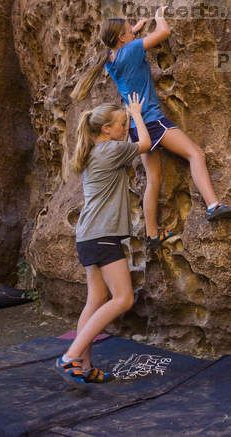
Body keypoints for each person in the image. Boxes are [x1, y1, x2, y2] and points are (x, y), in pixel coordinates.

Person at [70, 7, 231, 254]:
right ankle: (213, 205)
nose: (133, 30)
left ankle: (151, 233)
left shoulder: (110, 60)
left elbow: (119, 47)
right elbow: (164, 32)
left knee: (154, 178)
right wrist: (160, 16)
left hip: (136, 126)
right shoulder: (131, 49)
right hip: (151, 119)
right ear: (121, 38)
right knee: (195, 154)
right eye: (130, 29)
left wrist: (134, 32)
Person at [54, 93, 150, 387]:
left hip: (89, 236)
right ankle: (70, 356)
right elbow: (145, 144)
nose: (125, 128)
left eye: (126, 123)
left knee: (96, 300)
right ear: (105, 130)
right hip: (103, 235)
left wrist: (128, 118)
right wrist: (136, 113)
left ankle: (84, 365)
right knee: (123, 298)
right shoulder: (109, 150)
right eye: (122, 124)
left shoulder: (97, 152)